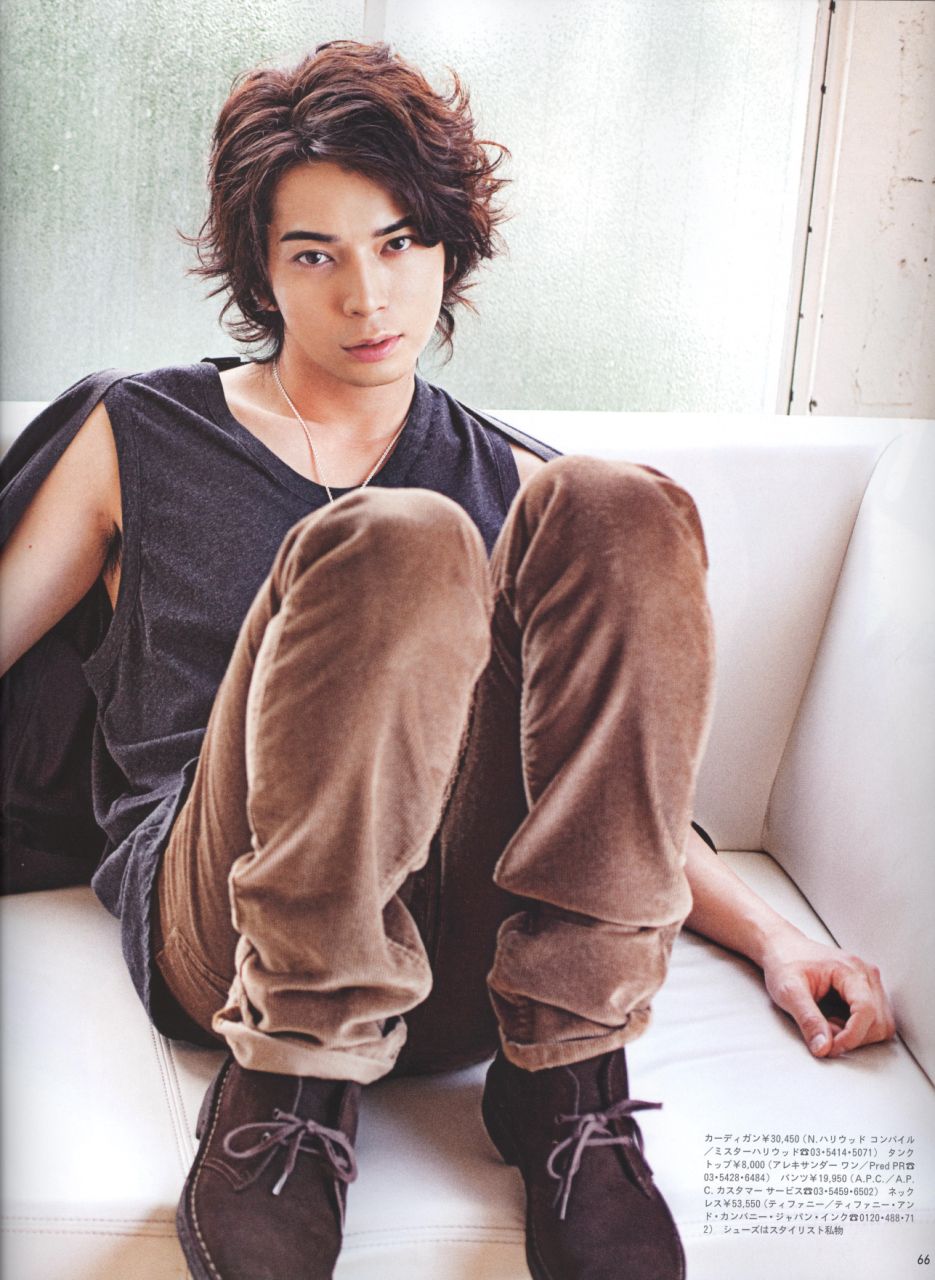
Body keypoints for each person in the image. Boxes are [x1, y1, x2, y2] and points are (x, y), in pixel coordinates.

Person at [0, 40, 895, 1280]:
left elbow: (603, 787)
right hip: (232, 927)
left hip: (462, 965)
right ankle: (291, 1082)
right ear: (261, 269)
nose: (366, 297)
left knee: (616, 503)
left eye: (398, 243)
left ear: (446, 248)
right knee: (399, 539)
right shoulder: (141, 432)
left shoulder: (516, 480)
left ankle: (568, 1087)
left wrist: (777, 938)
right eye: (314, 254)